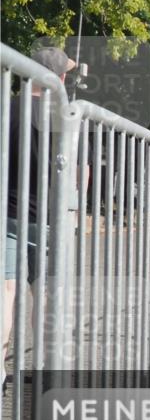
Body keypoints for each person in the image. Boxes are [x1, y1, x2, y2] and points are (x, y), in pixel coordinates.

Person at [4, 47, 77, 388]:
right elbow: (79, 172)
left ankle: (0, 371)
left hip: (6, 216)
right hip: (48, 220)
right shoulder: (63, 115)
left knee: (6, 292)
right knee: (44, 294)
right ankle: (47, 370)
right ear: (59, 77)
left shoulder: (7, 108)